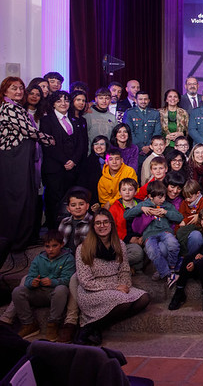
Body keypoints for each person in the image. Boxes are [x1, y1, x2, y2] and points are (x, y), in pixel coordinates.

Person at [74, 209, 150, 346]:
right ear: (93, 226)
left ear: (111, 224)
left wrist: (125, 285)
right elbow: (85, 281)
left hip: (117, 285)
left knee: (144, 298)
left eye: (105, 222)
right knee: (122, 301)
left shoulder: (119, 244)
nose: (102, 226)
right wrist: (115, 287)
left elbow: (124, 269)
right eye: (98, 223)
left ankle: (97, 326)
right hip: (93, 290)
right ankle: (87, 328)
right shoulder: (83, 248)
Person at [0, 77, 55, 248]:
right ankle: (13, 240)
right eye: (13, 88)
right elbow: (27, 130)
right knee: (15, 198)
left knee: (25, 197)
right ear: (5, 91)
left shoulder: (16, 107)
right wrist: (48, 139)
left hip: (22, 156)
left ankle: (21, 238)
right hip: (13, 157)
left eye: (20, 88)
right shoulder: (8, 107)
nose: (18, 91)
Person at [12, 230, 75, 341]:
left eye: (54, 246)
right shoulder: (39, 259)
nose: (50, 249)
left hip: (56, 294)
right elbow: (29, 277)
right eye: (47, 246)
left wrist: (53, 282)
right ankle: (29, 324)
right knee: (18, 291)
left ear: (61, 244)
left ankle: (53, 324)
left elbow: (68, 279)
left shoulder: (68, 258)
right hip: (39, 292)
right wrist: (32, 282)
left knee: (61, 289)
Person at [40, 90, 88, 229]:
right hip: (55, 168)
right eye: (59, 101)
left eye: (66, 100)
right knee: (53, 201)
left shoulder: (74, 119)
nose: (63, 103)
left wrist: (73, 161)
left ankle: (68, 231)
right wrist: (65, 161)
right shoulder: (46, 120)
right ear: (53, 104)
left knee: (70, 201)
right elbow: (48, 145)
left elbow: (81, 144)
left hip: (72, 168)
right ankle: (53, 231)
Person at [125, 181, 182, 283]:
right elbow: (126, 215)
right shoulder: (144, 204)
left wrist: (166, 212)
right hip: (149, 235)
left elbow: (179, 217)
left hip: (165, 232)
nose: (163, 199)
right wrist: (141, 209)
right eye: (160, 197)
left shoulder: (167, 205)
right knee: (152, 251)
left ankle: (172, 267)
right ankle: (166, 273)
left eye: (164, 197)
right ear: (151, 196)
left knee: (173, 244)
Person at [170, 206, 203, 312]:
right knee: (188, 258)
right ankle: (179, 291)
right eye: (201, 219)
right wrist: (194, 260)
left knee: (201, 262)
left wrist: (198, 260)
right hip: (201, 263)